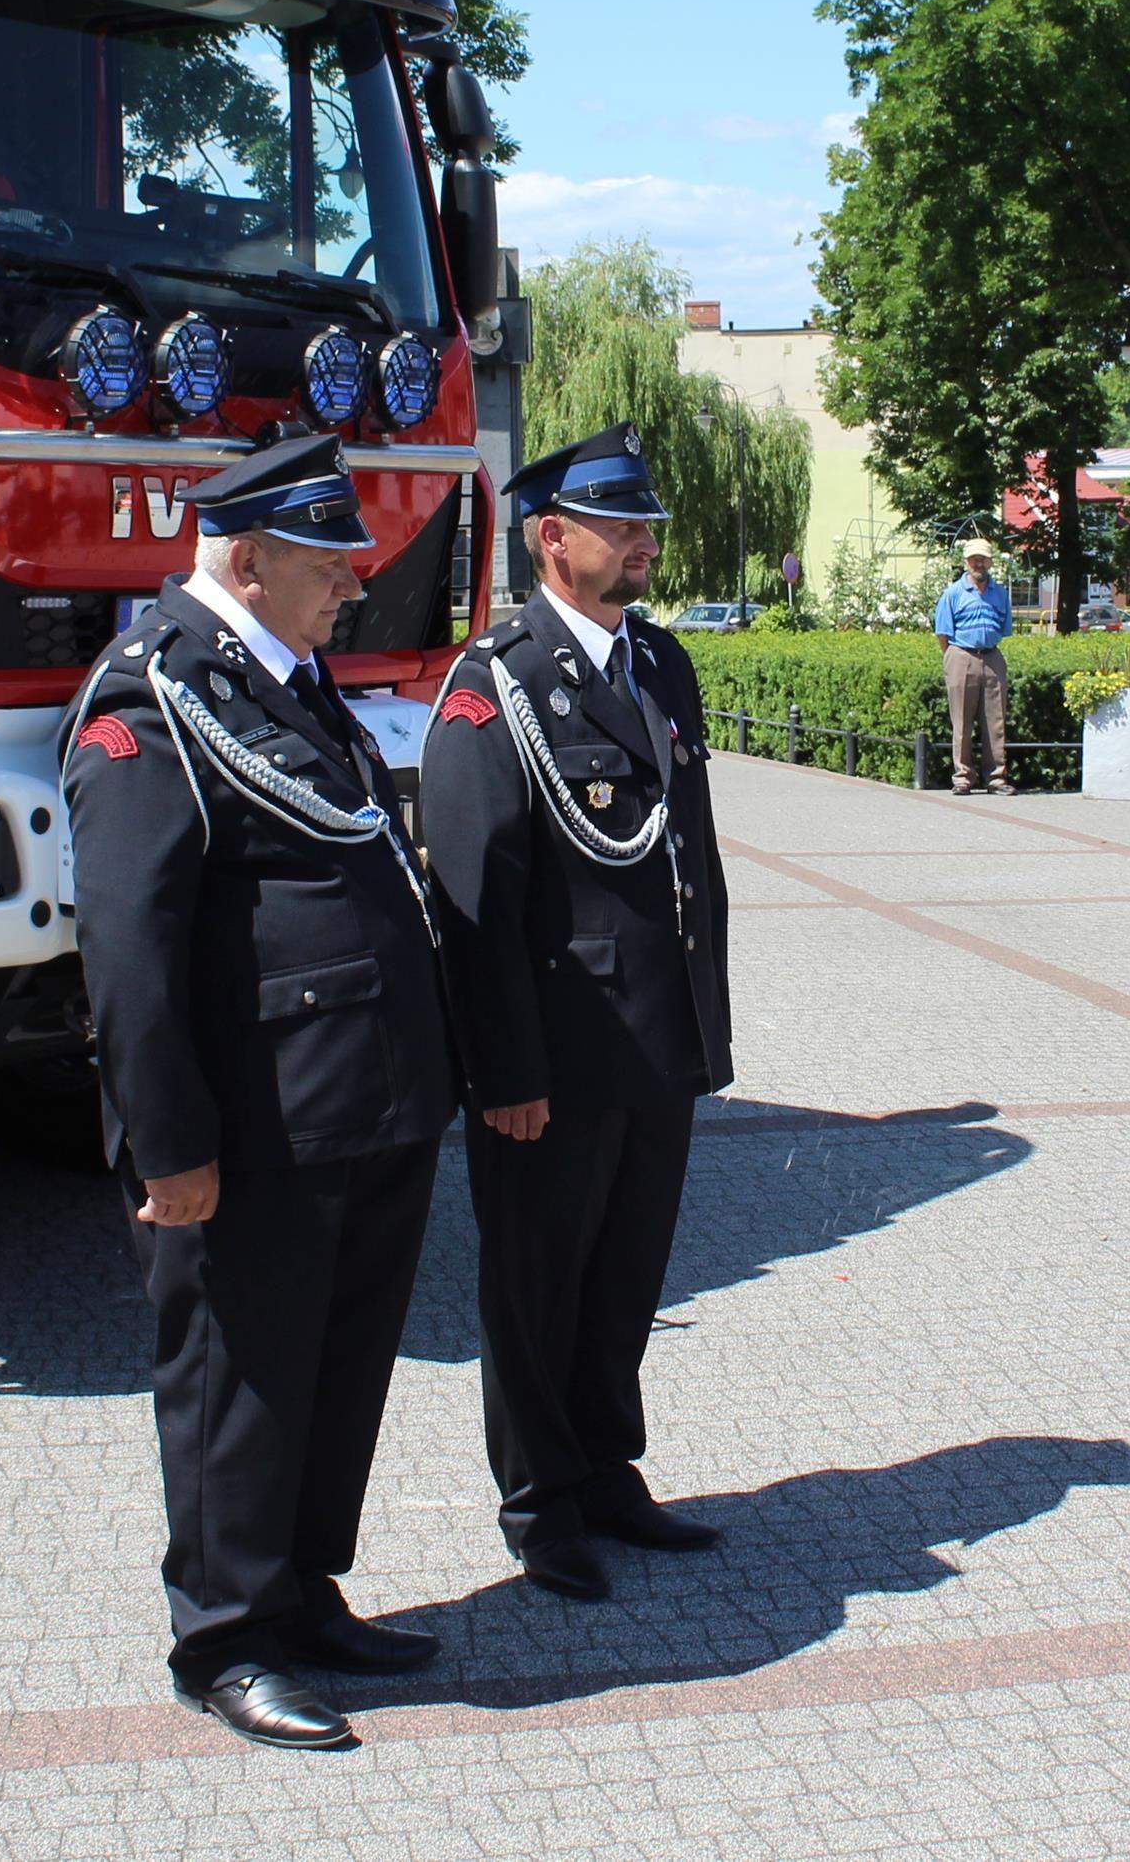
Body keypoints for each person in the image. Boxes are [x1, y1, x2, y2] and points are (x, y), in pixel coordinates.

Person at [61, 431, 456, 1752]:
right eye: (327, 560)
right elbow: (129, 940)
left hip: (361, 1099)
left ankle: (301, 1587)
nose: (351, 581)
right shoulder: (153, 694)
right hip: (259, 1117)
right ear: (245, 556)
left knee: (336, 1368)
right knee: (241, 1376)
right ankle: (224, 1633)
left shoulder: (290, 681)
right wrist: (170, 1147)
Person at [423, 423, 736, 1603]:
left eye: (645, 522)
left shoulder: (660, 665)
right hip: (554, 1052)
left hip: (654, 1036)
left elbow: (684, 862)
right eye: (619, 524)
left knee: (625, 1271)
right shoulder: (490, 684)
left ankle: (608, 1468)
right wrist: (501, 1068)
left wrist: (701, 1026)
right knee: (537, 1281)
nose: (643, 540)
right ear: (552, 538)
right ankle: (538, 1498)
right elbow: (475, 899)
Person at [932, 541, 1015, 794]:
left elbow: (1004, 628)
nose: (978, 563)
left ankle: (996, 779)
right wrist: (955, 659)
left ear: (990, 562)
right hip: (960, 655)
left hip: (992, 657)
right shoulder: (953, 593)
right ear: (966, 562)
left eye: (983, 559)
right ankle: (963, 778)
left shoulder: (1000, 594)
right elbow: (943, 633)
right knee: (962, 720)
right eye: (973, 559)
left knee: (995, 722)